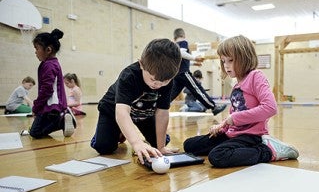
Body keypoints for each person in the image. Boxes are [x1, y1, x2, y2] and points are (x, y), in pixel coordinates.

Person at [183, 35, 299, 168]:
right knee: (189, 145)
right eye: (223, 61)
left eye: (231, 60)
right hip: (232, 133)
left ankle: (269, 151)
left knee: (217, 156)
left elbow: (270, 107)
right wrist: (221, 127)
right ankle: (232, 147)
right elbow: (234, 113)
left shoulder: (256, 76)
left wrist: (234, 119)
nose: (226, 66)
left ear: (245, 57)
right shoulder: (237, 84)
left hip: (251, 135)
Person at [90, 38, 181, 164]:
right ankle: (118, 131)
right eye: (153, 79)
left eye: (164, 82)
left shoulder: (167, 81)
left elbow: (162, 113)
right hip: (113, 110)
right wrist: (136, 142)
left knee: (161, 142)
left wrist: (161, 147)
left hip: (143, 114)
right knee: (104, 147)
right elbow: (122, 113)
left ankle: (124, 131)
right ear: (141, 64)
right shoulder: (129, 76)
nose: (158, 85)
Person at [29, 29, 76, 138]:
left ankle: (61, 120)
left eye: (37, 48)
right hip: (53, 107)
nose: (35, 52)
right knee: (36, 129)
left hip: (51, 107)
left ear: (48, 50)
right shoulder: (51, 63)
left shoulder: (49, 65)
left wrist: (36, 107)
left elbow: (47, 89)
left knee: (35, 132)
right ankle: (61, 118)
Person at [170, 28, 226, 116]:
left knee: (171, 94)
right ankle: (213, 107)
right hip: (184, 73)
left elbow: (181, 60)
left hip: (176, 74)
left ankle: (158, 107)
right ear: (183, 35)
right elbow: (182, 53)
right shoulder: (183, 42)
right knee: (198, 89)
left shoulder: (174, 46)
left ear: (174, 37)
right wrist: (194, 58)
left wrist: (193, 63)